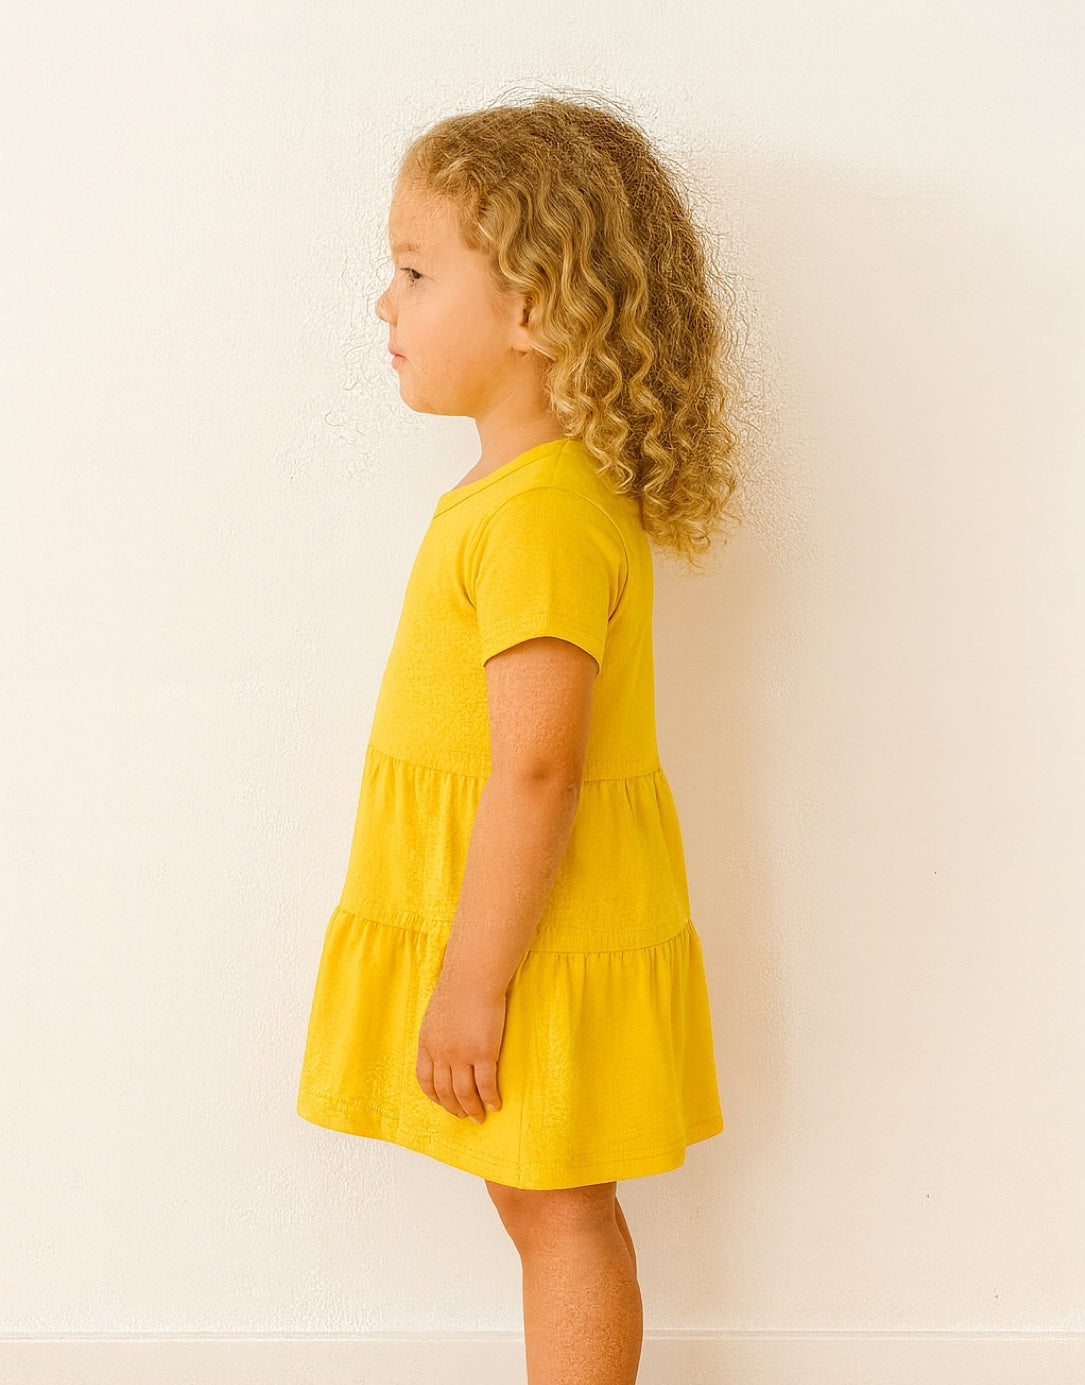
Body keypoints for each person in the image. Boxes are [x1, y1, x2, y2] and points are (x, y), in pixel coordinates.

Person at [296, 87, 746, 1385]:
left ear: (536, 308)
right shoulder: (523, 494)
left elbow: (539, 770)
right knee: (539, 1196)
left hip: (536, 930)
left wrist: (474, 982)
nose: (384, 302)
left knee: (557, 1208)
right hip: (527, 916)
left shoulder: (540, 517)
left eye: (416, 271)